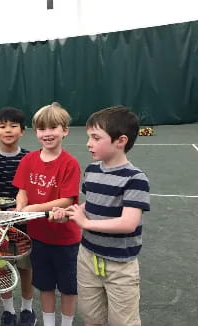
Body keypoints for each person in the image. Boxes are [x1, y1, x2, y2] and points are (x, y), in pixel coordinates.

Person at [52, 106, 150, 326]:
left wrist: (86, 223)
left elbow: (128, 223)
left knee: (123, 322)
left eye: (96, 138)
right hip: (87, 258)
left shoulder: (136, 179)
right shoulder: (92, 170)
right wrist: (71, 213)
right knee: (91, 319)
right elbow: (92, 204)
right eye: (89, 137)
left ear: (120, 141)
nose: (89, 143)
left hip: (120, 267)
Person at [12, 102, 81, 326]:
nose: (47, 133)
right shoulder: (28, 160)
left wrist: (31, 209)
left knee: (69, 288)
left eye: (53, 128)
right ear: (36, 132)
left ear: (65, 131)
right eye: (42, 129)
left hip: (65, 241)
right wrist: (20, 207)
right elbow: (21, 191)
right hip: (38, 238)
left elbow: (66, 200)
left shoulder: (70, 163)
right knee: (45, 285)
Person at [0, 107, 32, 326]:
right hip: (0, 226)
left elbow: (32, 191)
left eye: (13, 126)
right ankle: (8, 311)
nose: (8, 130)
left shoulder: (30, 159)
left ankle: (27, 310)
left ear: (22, 131)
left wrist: (22, 212)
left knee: (26, 267)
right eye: (2, 126)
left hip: (26, 224)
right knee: (3, 267)